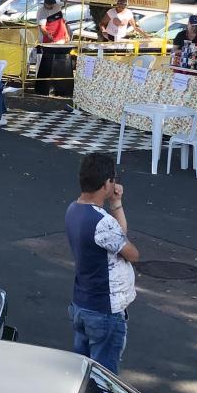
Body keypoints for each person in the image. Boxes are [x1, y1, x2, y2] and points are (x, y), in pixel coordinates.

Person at [65, 153, 140, 372]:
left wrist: (116, 204)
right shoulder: (101, 222)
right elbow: (132, 253)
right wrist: (116, 205)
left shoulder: (74, 209)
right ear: (106, 183)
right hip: (104, 310)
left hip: (82, 303)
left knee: (82, 370)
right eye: (113, 179)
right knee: (103, 377)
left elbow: (118, 235)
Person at [35, 0, 72, 96]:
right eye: (49, 4)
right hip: (47, 40)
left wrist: (67, 34)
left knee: (60, 63)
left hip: (60, 38)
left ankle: (60, 87)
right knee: (48, 64)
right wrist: (48, 35)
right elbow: (42, 27)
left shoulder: (57, 7)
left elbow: (63, 23)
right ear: (45, 2)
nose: (51, 5)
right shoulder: (41, 11)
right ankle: (46, 87)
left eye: (52, 3)